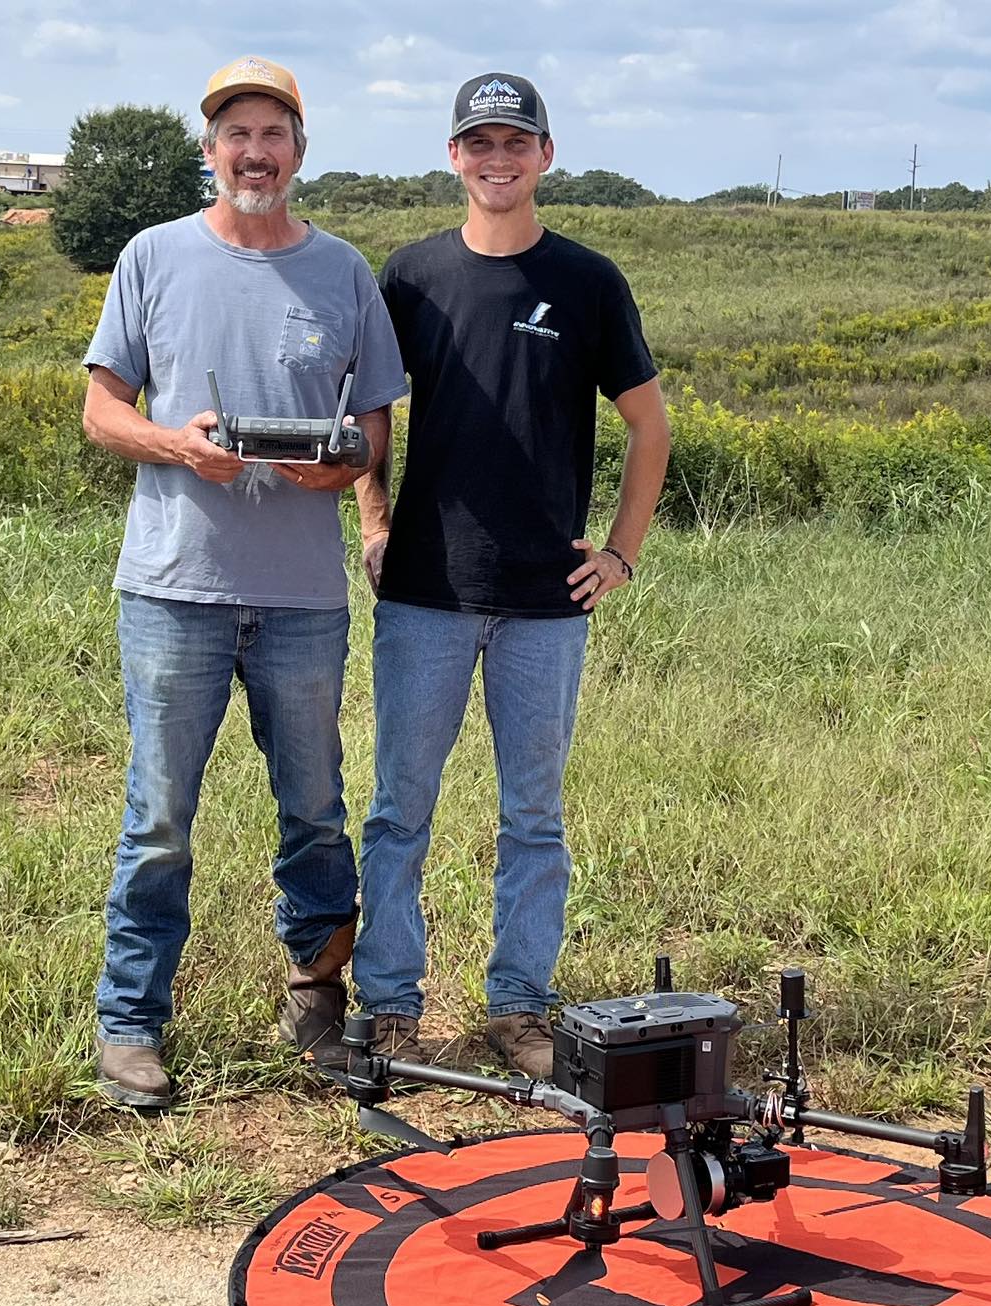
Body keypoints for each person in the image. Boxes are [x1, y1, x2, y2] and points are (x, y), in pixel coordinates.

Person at [81, 56, 408, 1108]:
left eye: (273, 135)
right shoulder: (152, 257)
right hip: (173, 587)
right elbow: (101, 411)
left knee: (312, 810)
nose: (254, 153)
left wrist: (345, 467)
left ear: (299, 153)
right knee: (158, 817)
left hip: (302, 598)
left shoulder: (342, 272)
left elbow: (370, 425)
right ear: (210, 152)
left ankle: (315, 1003)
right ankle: (131, 1024)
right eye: (236, 136)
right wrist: (179, 448)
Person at [349, 72, 671, 1076]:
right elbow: (371, 414)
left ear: (543, 155)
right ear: (452, 157)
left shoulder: (585, 282)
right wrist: (370, 516)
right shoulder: (408, 276)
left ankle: (517, 1007)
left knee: (532, 816)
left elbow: (648, 425)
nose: (496, 161)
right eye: (477, 144)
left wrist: (619, 554)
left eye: (513, 144)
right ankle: (390, 1007)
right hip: (424, 593)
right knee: (401, 805)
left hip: (543, 601)